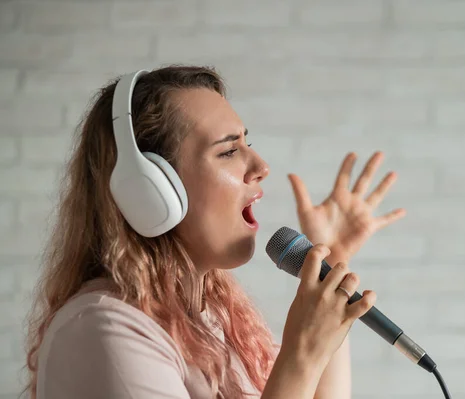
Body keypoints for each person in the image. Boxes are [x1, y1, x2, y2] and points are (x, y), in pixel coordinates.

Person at [23, 65, 406, 399]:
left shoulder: (214, 320)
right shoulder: (104, 330)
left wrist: (329, 261)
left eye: (248, 144)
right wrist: (300, 354)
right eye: (227, 151)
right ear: (150, 189)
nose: (260, 165)